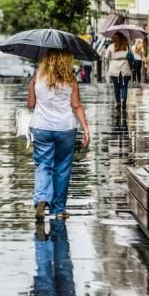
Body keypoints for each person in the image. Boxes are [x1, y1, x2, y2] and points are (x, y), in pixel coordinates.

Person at [28, 50, 90, 221]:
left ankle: (41, 198)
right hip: (65, 127)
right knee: (62, 168)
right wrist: (86, 129)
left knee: (43, 164)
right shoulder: (70, 79)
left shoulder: (37, 78)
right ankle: (57, 209)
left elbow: (31, 105)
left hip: (41, 126)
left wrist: (33, 86)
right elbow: (76, 105)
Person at [105, 32, 132, 109]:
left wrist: (107, 68)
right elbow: (131, 56)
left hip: (114, 68)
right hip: (125, 67)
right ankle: (123, 101)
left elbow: (106, 57)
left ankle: (118, 102)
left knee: (116, 86)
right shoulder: (127, 46)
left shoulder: (111, 46)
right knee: (124, 86)